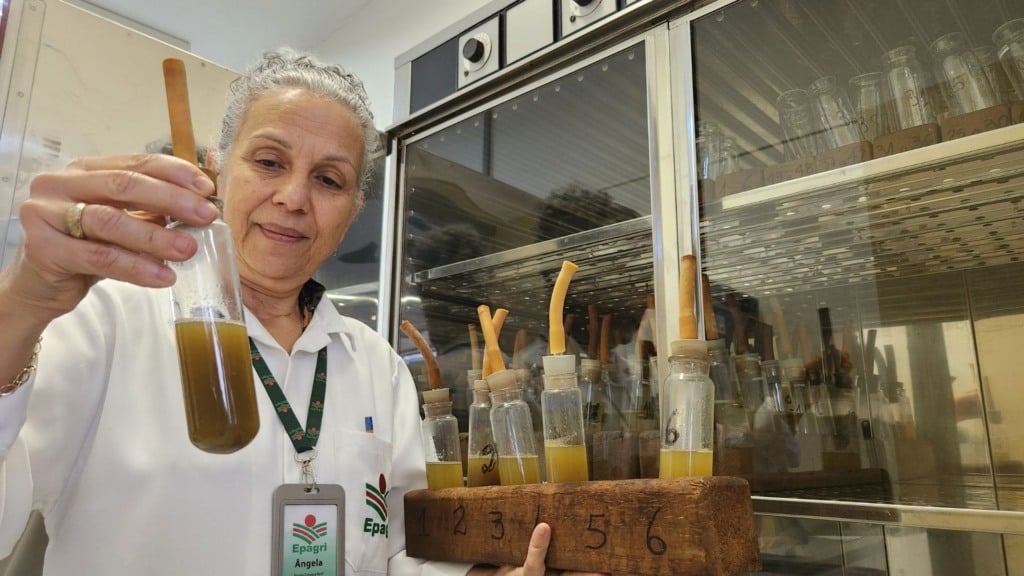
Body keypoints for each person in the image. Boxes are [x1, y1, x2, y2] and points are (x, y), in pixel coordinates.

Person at [0, 48, 602, 576]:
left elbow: (399, 552)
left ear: (353, 207)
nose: (292, 198)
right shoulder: (105, 318)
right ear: (216, 169)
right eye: (268, 162)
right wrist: (23, 303)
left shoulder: (376, 366)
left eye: (328, 179)